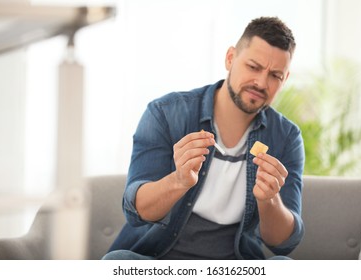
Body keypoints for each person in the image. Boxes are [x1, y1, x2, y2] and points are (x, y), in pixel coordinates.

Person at [103, 16, 305, 260]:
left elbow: (283, 244)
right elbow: (136, 212)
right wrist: (178, 181)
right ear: (230, 58)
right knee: (117, 263)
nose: (261, 82)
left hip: (236, 265)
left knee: (285, 265)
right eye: (253, 67)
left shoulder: (287, 137)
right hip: (159, 261)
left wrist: (270, 199)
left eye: (275, 75)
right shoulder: (165, 114)